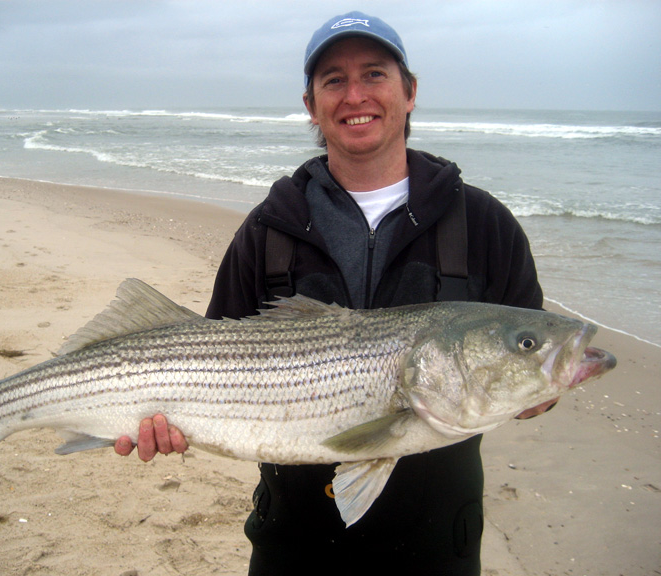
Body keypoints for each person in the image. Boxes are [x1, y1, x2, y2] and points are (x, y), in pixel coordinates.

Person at [115, 11, 556, 575]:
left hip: (440, 541)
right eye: (333, 80)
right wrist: (164, 420)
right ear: (310, 105)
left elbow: (530, 351)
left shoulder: (487, 224)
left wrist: (544, 387)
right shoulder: (267, 229)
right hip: (291, 544)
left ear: (410, 91)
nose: (355, 96)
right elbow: (202, 355)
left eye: (374, 74)